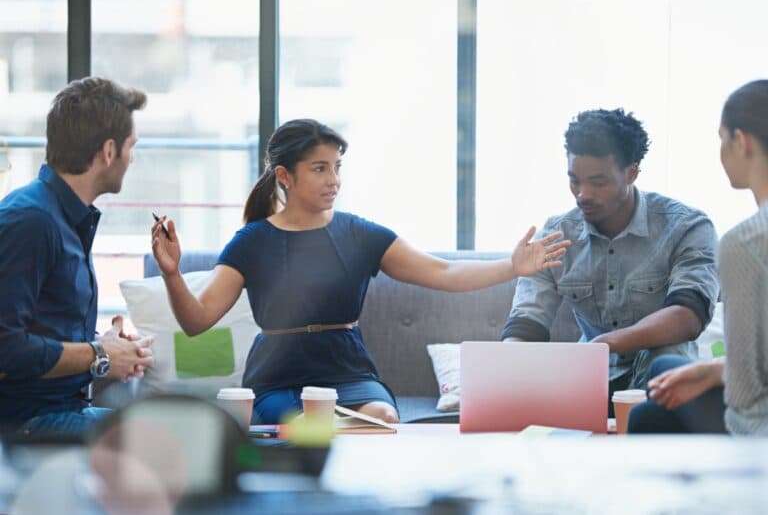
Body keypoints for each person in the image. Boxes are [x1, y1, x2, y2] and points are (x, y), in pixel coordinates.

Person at [151, 118, 571, 424]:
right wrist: (172, 273)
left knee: (383, 418)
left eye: (337, 167)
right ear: (285, 176)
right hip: (279, 377)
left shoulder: (360, 234)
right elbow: (196, 320)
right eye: (320, 168)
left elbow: (443, 272)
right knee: (309, 432)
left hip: (347, 371)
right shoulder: (253, 241)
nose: (334, 179)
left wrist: (512, 267)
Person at [501, 108, 720, 401]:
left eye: (598, 182)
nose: (583, 194)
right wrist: (505, 368)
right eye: (574, 181)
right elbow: (527, 322)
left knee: (669, 358)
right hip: (591, 373)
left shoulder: (687, 226)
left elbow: (688, 316)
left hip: (662, 374)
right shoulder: (555, 235)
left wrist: (605, 343)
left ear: (632, 172)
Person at [0, 77, 155, 437]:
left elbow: (41, 329)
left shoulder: (62, 217)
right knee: (167, 441)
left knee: (178, 431)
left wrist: (109, 348)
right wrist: (98, 353)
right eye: (132, 147)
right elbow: (5, 347)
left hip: (59, 410)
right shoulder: (32, 221)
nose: (132, 158)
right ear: (109, 151)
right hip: (26, 423)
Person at [630, 80, 768, 435]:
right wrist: (710, 370)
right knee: (657, 397)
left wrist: (713, 373)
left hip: (757, 433)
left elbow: (746, 391)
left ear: (742, 142)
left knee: (657, 390)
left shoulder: (747, 243)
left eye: (722, 139)